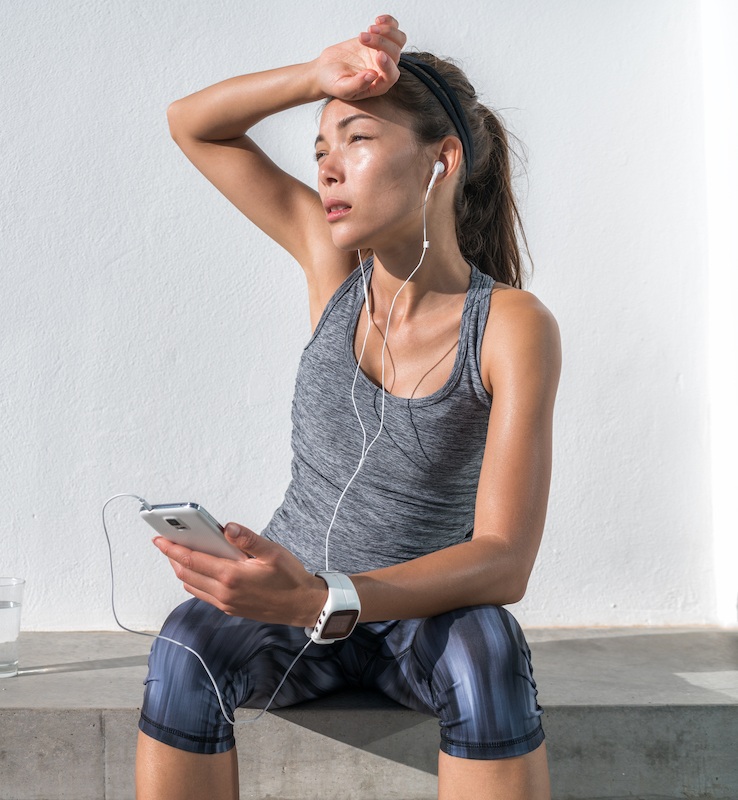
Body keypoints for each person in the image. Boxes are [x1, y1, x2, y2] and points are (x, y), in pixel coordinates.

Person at [137, 15, 561, 800]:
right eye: (320, 150)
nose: (329, 170)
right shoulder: (333, 269)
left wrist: (328, 598)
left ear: (443, 161)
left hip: (420, 618)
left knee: (486, 652)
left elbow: (505, 559)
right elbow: (191, 125)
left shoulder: (508, 326)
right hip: (288, 599)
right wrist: (318, 76)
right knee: (184, 646)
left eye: (357, 140)